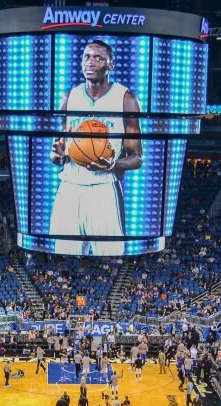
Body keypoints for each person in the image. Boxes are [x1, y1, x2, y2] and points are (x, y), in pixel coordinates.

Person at [48, 39, 143, 256]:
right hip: (69, 186)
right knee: (64, 257)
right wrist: (57, 154)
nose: (90, 62)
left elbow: (137, 158)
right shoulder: (69, 98)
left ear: (111, 65)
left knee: (111, 257)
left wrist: (112, 164)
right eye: (86, 57)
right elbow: (56, 157)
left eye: (98, 58)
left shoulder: (125, 100)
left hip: (104, 188)